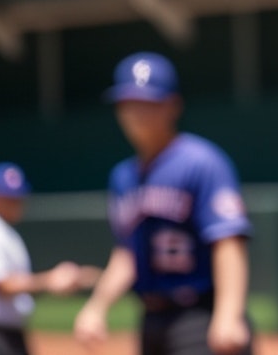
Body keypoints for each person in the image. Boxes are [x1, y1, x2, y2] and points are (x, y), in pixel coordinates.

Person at [73, 51, 254, 355]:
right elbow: (127, 252)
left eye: (148, 103)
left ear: (172, 105)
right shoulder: (123, 176)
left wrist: (229, 314)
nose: (137, 113)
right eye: (129, 103)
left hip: (200, 313)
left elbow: (228, 241)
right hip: (152, 318)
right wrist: (97, 305)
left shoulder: (202, 162)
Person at [0, 162, 100, 355]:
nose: (16, 203)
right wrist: (50, 280)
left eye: (18, 197)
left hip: (13, 334)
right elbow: (3, 285)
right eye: (9, 198)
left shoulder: (3, 229)